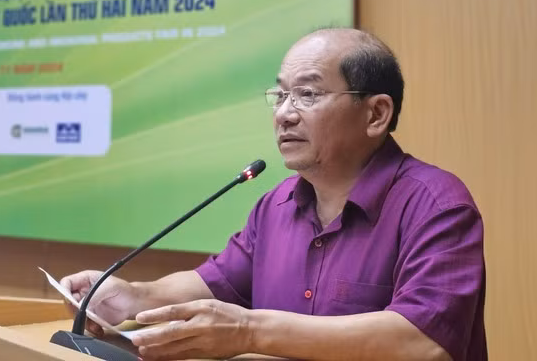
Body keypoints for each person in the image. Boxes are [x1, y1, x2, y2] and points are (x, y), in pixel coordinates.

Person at [60, 28, 486, 361]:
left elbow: (423, 343)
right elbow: (214, 284)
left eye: (308, 94)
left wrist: (249, 331)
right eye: (281, 94)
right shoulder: (277, 205)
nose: (284, 113)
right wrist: (134, 295)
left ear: (376, 114)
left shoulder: (437, 205)